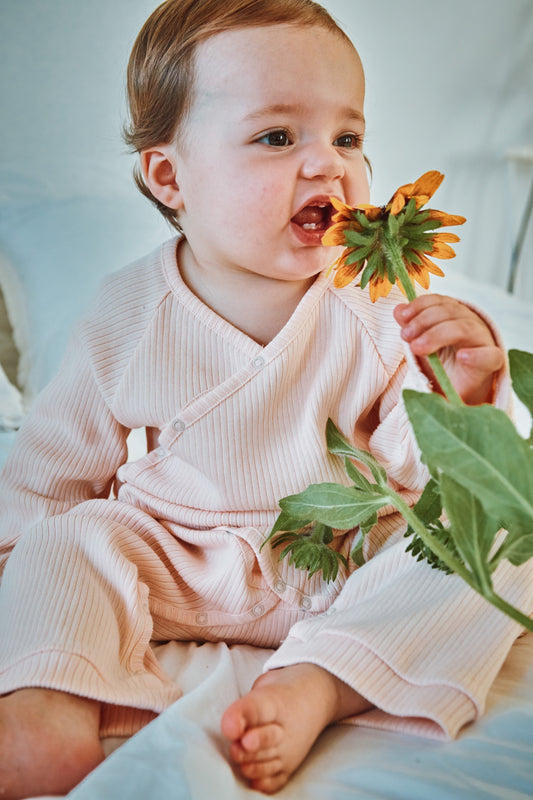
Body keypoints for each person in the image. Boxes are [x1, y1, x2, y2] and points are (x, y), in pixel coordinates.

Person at [0, 1, 530, 797]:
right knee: (68, 539)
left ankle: (322, 679)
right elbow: (53, 468)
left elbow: (420, 471)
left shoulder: (378, 303)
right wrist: (31, 568)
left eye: (346, 137)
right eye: (278, 137)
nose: (328, 166)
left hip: (345, 561)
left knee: (494, 540)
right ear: (170, 176)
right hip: (180, 559)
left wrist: (459, 392)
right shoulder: (126, 312)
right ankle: (51, 695)